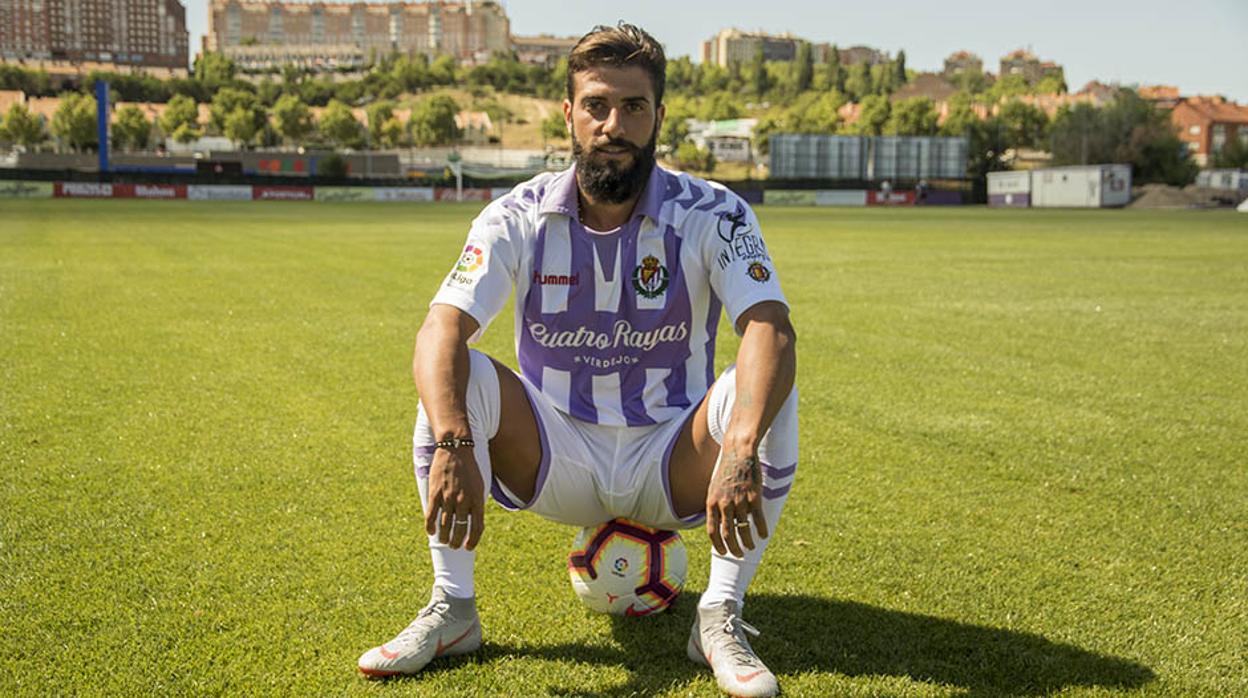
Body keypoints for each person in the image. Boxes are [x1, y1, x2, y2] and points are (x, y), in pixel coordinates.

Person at [357, 23, 798, 698]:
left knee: (768, 388)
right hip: (556, 455)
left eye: (633, 107)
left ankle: (719, 612)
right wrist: (453, 440)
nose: (613, 124)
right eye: (596, 104)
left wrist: (739, 447)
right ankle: (455, 608)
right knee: (455, 373)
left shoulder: (715, 212)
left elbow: (770, 326)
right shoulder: (517, 215)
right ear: (568, 114)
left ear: (658, 117)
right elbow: (440, 327)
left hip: (673, 458)